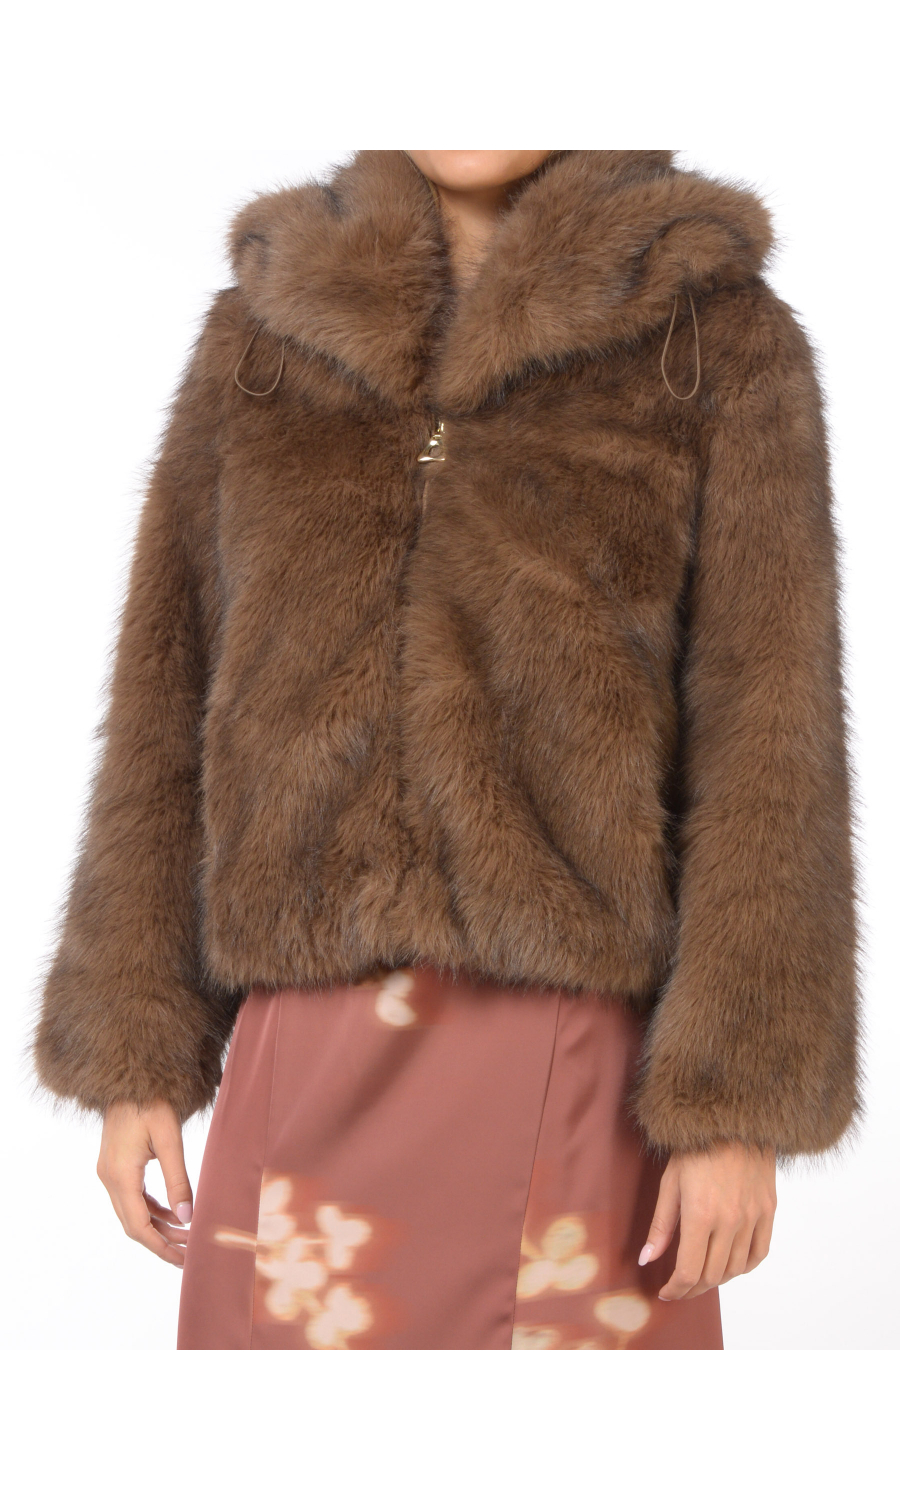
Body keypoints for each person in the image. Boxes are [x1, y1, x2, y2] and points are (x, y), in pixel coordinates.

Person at [31, 150, 860, 1350]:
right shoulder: (263, 332)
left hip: (580, 1069)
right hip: (301, 1054)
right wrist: (138, 1051)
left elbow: (772, 739)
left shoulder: (715, 337)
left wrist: (736, 1102)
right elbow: (165, 696)